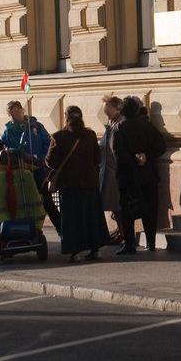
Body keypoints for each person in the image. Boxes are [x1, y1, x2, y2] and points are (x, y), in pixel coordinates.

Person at [46, 106, 106, 262]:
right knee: (91, 217)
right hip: (90, 183)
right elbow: (97, 159)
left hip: (69, 185)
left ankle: (75, 252)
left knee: (72, 219)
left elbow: (50, 162)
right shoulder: (91, 134)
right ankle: (96, 249)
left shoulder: (58, 137)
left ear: (66, 117)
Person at [112, 95, 165, 255]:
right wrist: (146, 156)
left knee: (127, 212)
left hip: (128, 177)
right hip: (148, 175)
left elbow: (118, 153)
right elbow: (161, 146)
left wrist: (134, 158)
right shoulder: (147, 126)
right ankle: (151, 242)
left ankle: (130, 244)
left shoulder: (119, 128)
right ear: (136, 110)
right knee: (150, 209)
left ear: (122, 111)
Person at [1, 101, 61, 231]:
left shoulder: (36, 126)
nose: (15, 115)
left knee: (46, 200)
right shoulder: (8, 131)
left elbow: (48, 143)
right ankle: (27, 230)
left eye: (17, 111)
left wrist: (42, 158)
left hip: (38, 169)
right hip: (20, 171)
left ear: (22, 111)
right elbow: (4, 149)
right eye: (11, 113)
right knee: (24, 201)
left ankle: (61, 230)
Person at [98, 96, 122, 245]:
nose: (106, 113)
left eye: (108, 110)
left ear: (116, 108)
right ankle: (121, 232)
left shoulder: (120, 124)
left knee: (118, 206)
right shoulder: (111, 123)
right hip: (107, 171)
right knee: (113, 206)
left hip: (115, 172)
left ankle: (124, 234)